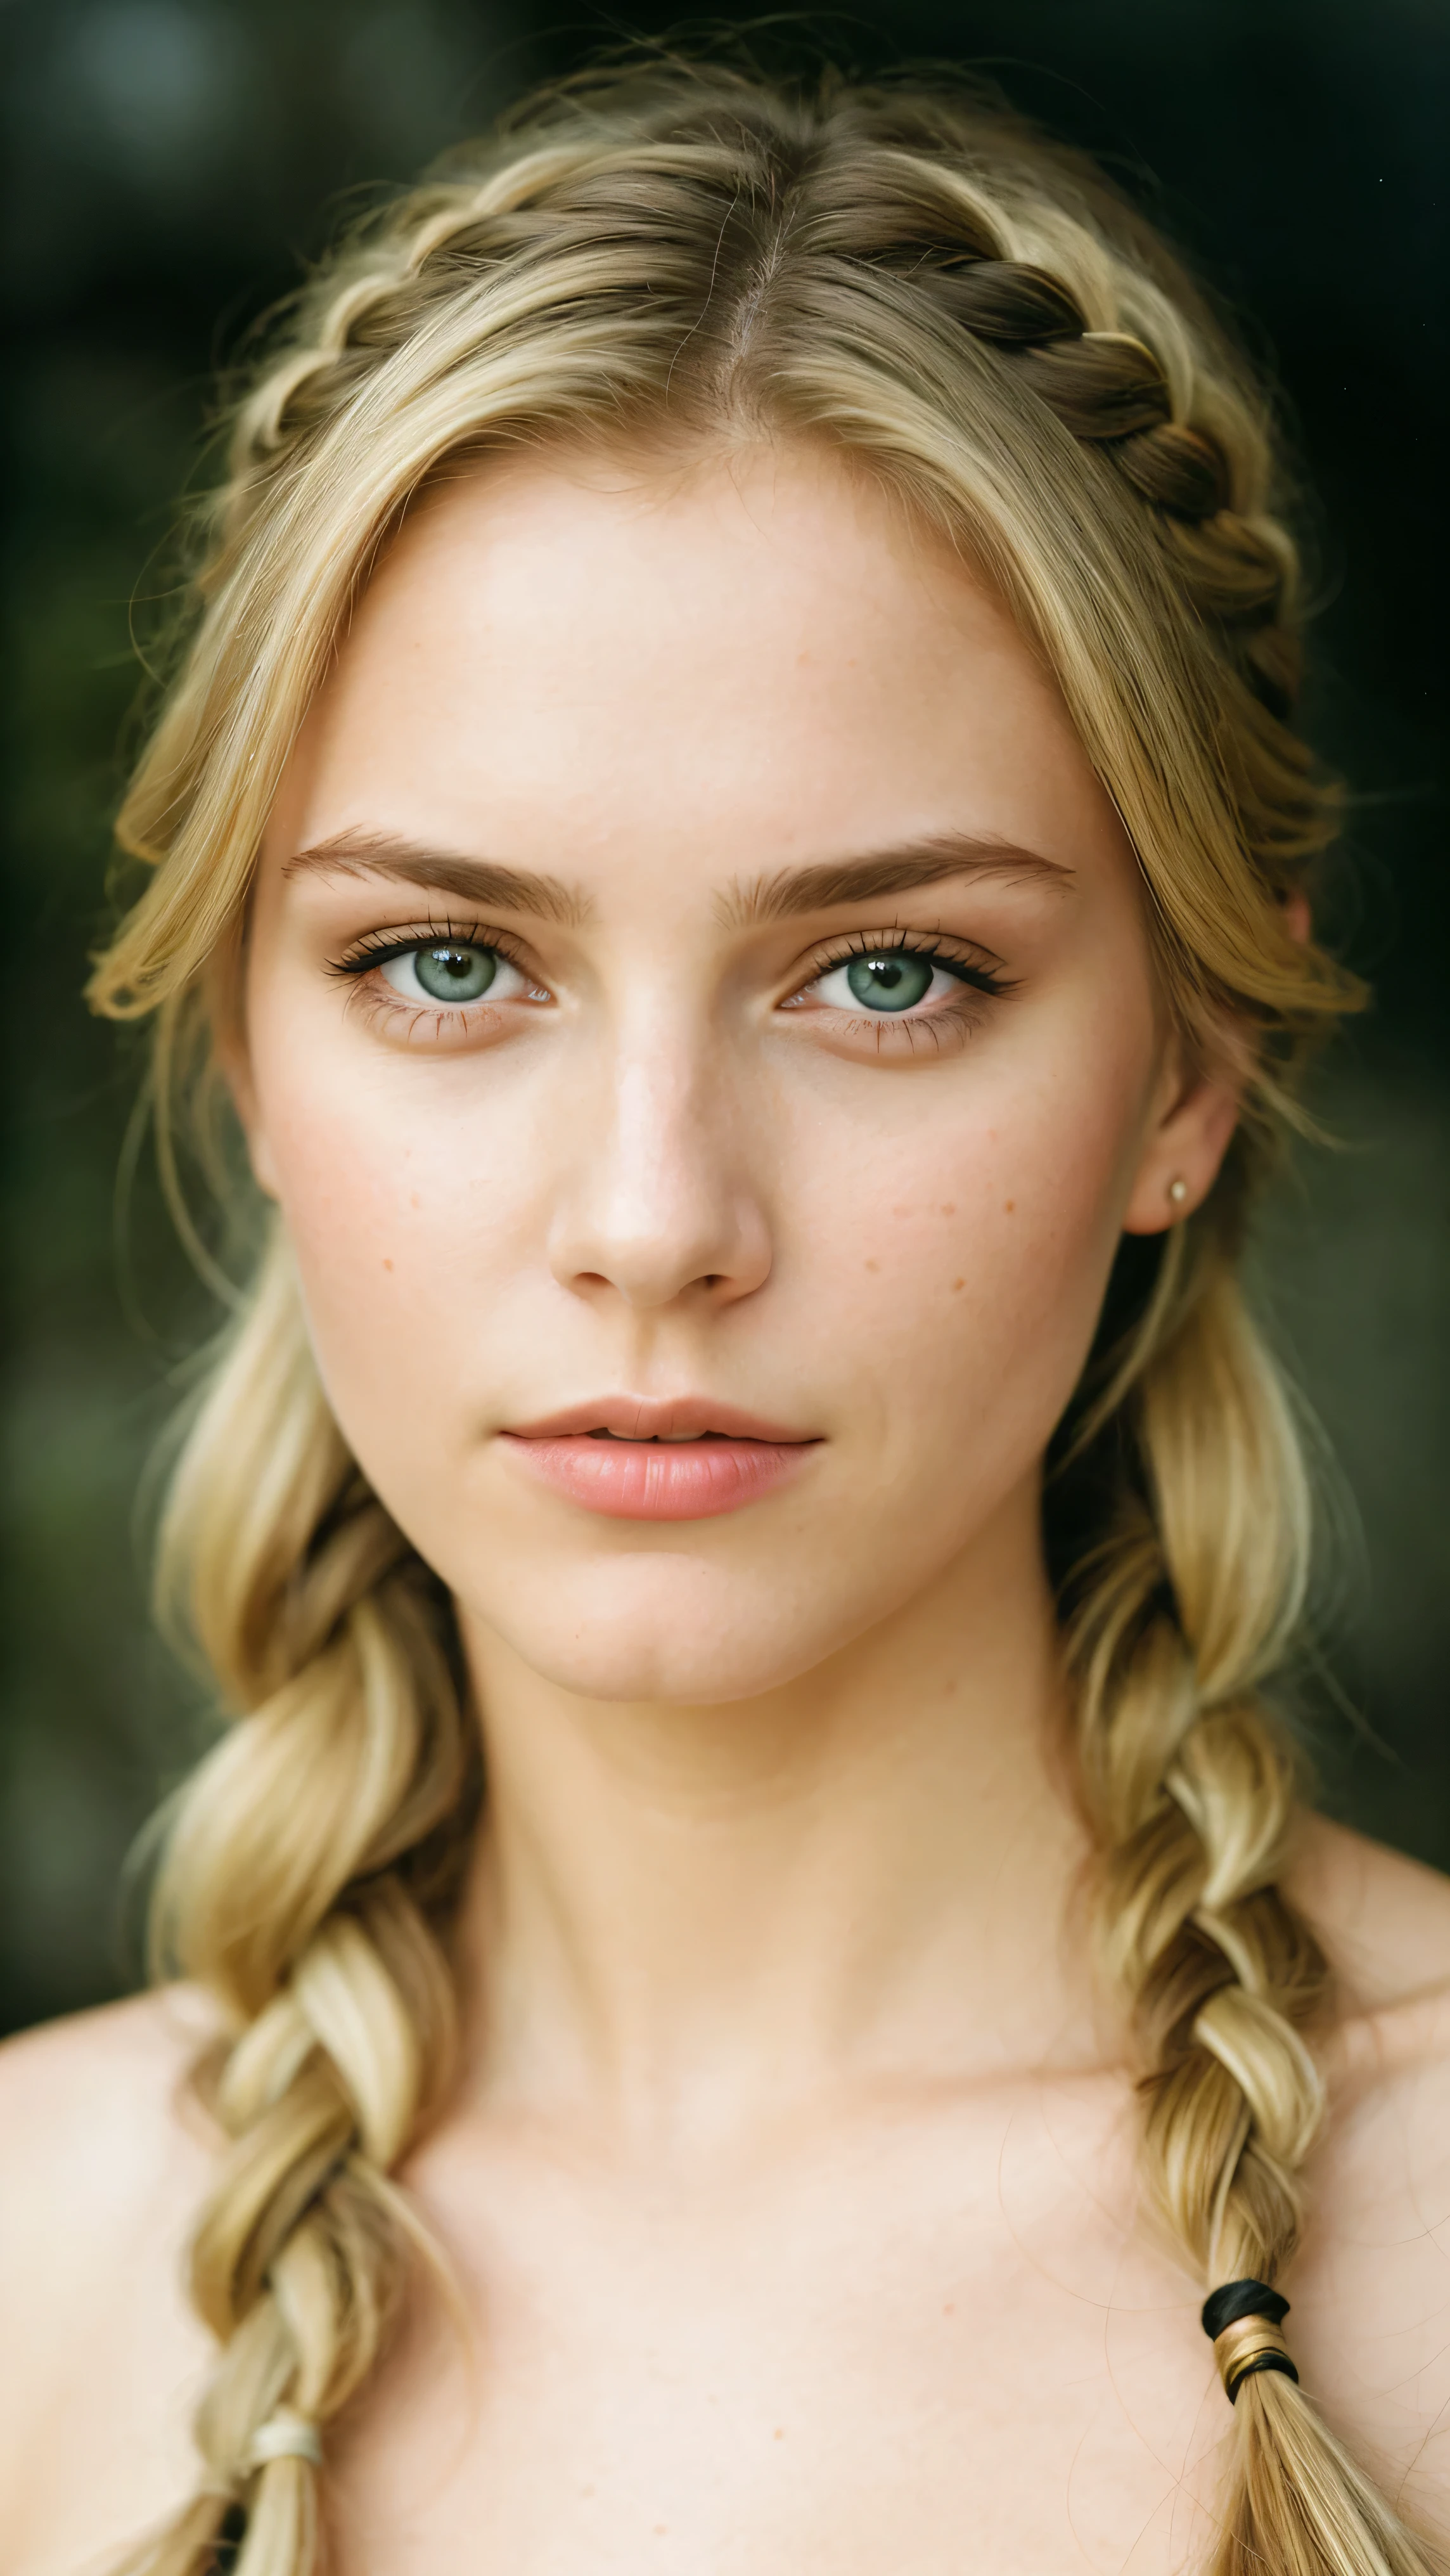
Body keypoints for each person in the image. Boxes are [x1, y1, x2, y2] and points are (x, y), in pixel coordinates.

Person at [1, 54, 1447, 2576]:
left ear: (1186, 1070)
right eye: (447, 960)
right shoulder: (27, 2270)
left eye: (883, 972)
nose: (655, 1216)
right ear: (245, 1042)